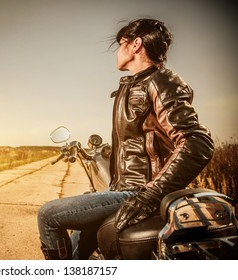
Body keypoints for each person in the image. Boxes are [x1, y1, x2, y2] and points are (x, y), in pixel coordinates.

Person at [37, 18, 214, 260]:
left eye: (121, 44)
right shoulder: (135, 85)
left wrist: (148, 195)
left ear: (135, 44)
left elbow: (197, 141)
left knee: (48, 215)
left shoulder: (159, 81)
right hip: (122, 187)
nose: (117, 51)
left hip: (137, 191)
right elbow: (144, 139)